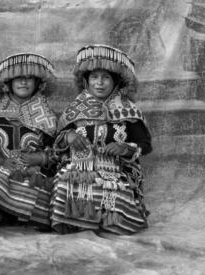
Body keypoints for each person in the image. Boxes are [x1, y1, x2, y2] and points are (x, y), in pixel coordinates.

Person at [50, 44, 152, 235]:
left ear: (116, 82)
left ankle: (110, 222)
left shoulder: (129, 110)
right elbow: (57, 143)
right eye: (94, 77)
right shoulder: (74, 110)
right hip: (80, 167)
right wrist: (69, 136)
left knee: (116, 188)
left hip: (118, 170)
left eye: (106, 77)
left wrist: (125, 148)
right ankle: (76, 222)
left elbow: (145, 145)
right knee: (66, 179)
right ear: (86, 81)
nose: (100, 83)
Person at [0, 53, 58, 229]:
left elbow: (57, 152)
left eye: (29, 78)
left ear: (38, 83)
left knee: (38, 186)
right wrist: (2, 161)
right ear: (8, 83)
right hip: (4, 169)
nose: (23, 82)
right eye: (18, 78)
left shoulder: (47, 116)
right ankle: (1, 214)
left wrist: (38, 159)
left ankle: (24, 215)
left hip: (35, 172)